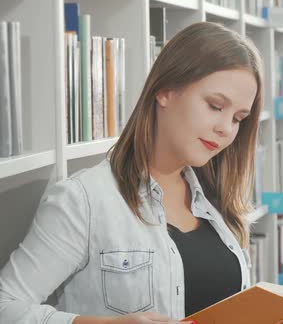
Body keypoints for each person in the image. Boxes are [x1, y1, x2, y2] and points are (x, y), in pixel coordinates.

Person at [0, 21, 263, 324]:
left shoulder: (219, 201)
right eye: (215, 106)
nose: (225, 129)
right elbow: (7, 305)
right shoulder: (85, 200)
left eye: (238, 118)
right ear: (165, 90)